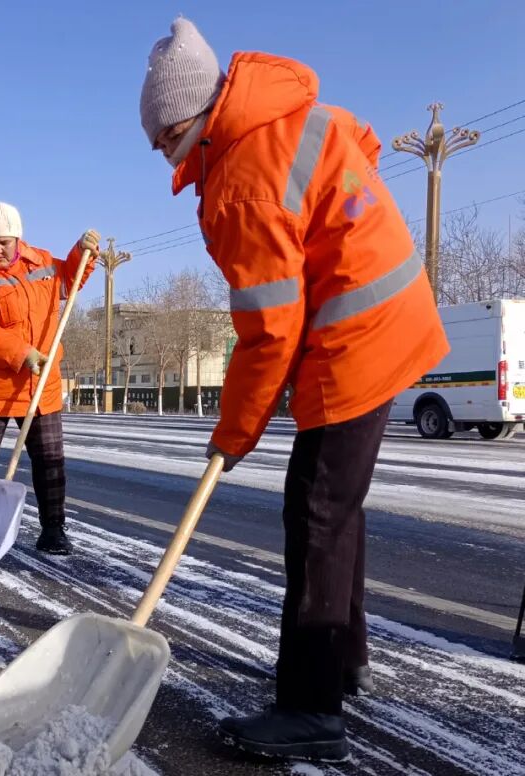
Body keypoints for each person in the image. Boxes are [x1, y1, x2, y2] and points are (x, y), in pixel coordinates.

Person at [138, 18, 448, 762]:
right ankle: (344, 659)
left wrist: (231, 434)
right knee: (335, 506)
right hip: (390, 314)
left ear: (188, 121)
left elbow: (269, 331)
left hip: (356, 334)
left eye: (161, 141)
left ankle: (311, 708)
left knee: (314, 510)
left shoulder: (242, 178)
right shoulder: (292, 115)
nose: (163, 157)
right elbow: (362, 143)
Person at [0, 202, 99, 555]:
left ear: (17, 237)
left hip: (41, 383)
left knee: (50, 458)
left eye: (3, 242)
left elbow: (69, 279)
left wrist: (83, 252)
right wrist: (23, 354)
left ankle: (53, 530)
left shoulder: (42, 263)